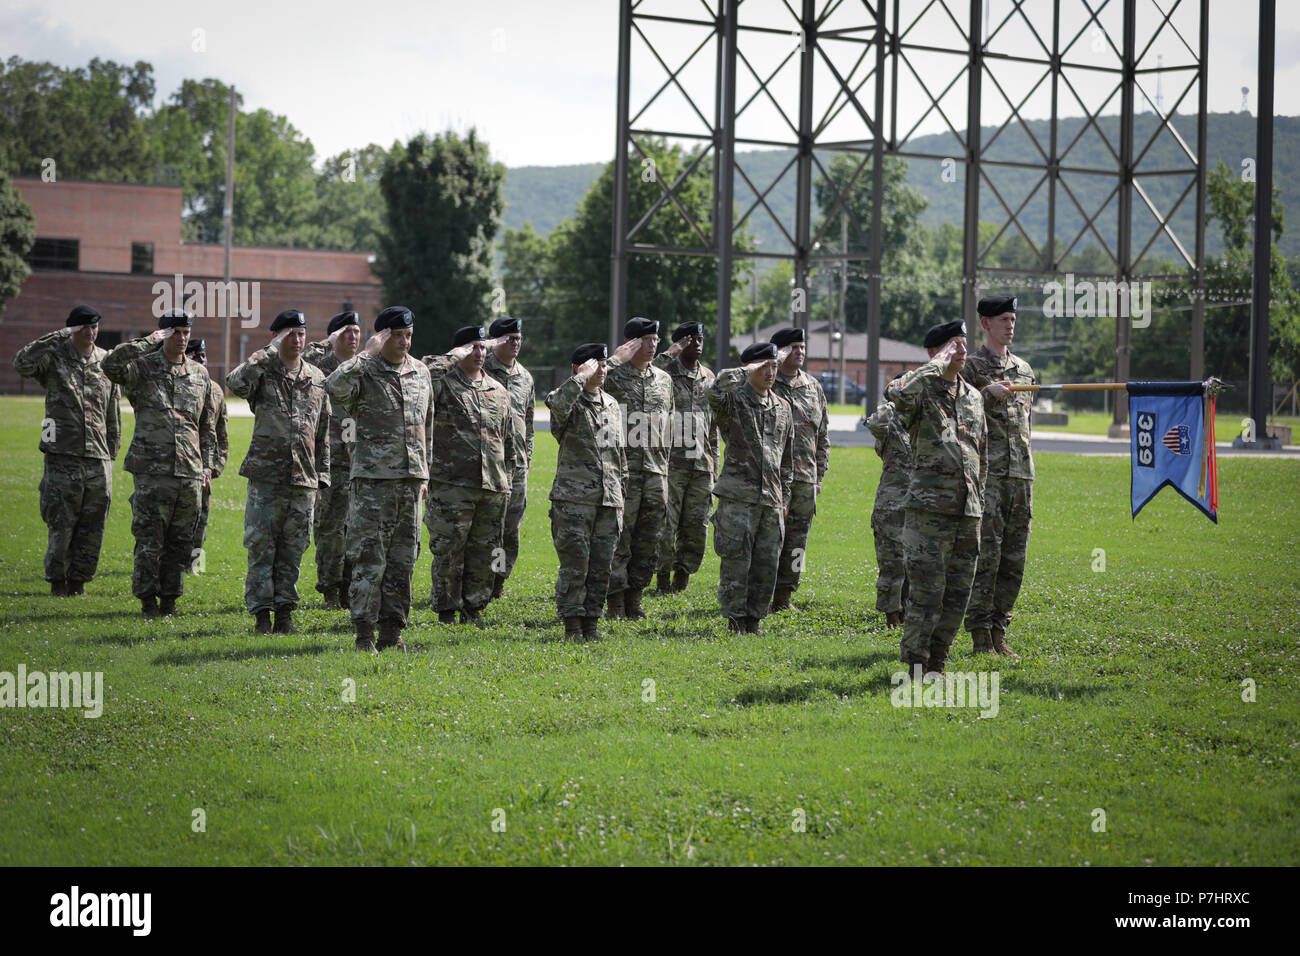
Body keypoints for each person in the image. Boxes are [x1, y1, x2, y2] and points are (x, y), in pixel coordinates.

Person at [325, 306, 433, 652]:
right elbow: (333, 386)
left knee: (404, 560)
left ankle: (392, 633)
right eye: (397, 336)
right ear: (382, 336)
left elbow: (425, 426)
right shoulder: (365, 371)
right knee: (370, 559)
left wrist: (425, 471)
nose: (404, 342)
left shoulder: (421, 372)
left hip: (411, 482)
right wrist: (365, 354)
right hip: (373, 482)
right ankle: (363, 634)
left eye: (408, 335)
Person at [885, 320, 987, 676]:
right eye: (951, 345)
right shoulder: (920, 389)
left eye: (963, 343)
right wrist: (934, 364)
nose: (961, 350)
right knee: (926, 592)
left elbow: (980, 454)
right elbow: (896, 396)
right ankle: (914, 661)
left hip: (968, 511)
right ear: (934, 351)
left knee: (957, 595)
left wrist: (980, 502)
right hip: (928, 511)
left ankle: (938, 659)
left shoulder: (974, 397)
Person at [103, 309, 218, 618]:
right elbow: (110, 364)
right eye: (175, 332)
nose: (181, 338)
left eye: (185, 332)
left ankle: (170, 599)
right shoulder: (142, 368)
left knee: (180, 542)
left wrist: (207, 466)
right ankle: (147, 600)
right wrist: (147, 341)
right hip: (152, 471)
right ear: (163, 334)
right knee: (149, 538)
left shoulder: (200, 374)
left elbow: (206, 426)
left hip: (189, 471)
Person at [226, 309, 331, 634]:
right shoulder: (263, 372)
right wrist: (267, 353)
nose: (297, 340)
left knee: (292, 551)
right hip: (266, 479)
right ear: (276, 337)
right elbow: (235, 383)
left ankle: (285, 614)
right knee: (261, 548)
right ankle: (261, 615)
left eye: (301, 333)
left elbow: (322, 432)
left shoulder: (316, 377)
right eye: (289, 334)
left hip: (303, 480)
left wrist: (322, 478)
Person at [13, 305, 121, 596]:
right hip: (62, 457)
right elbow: (22, 362)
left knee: (93, 525)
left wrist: (112, 451)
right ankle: (57, 582)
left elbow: (113, 411)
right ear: (72, 329)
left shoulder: (106, 362)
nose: (91, 331)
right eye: (83, 327)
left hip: (98, 459)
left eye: (94, 326)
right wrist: (58, 336)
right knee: (61, 523)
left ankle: (79, 582)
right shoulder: (54, 358)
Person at [960, 295, 1036, 659]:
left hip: (1020, 476)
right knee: (985, 556)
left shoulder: (1024, 370)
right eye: (1003, 319)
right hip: (987, 476)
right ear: (985, 324)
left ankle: (999, 631)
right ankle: (978, 635)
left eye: (1013, 319)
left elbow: (1027, 426)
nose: (1010, 325)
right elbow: (954, 413)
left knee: (1014, 558)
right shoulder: (970, 368)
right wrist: (983, 395)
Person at [423, 327, 514, 626]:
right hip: (452, 485)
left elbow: (508, 440)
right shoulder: (441, 384)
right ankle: (447, 610)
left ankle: (474, 608)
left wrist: (507, 480)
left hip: (492, 485)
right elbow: (426, 373)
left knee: (485, 550)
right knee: (449, 550)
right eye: (472, 347)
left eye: (482, 348)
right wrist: (452, 357)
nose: (479, 353)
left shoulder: (499, 390)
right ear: (459, 351)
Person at [707, 341, 794, 634]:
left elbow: (787, 460)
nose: (770, 372)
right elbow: (713, 390)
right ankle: (735, 619)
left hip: (772, 499)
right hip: (738, 496)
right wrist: (744, 371)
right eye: (763, 367)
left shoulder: (783, 407)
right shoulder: (733, 401)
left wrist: (786, 497)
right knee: (737, 561)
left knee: (767, 563)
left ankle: (754, 619)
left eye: (773, 366)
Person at [544, 343, 627, 640]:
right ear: (580, 368)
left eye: (605, 365)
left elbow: (618, 453)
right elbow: (557, 403)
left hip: (609, 499)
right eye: (597, 365)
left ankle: (592, 622)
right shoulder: (566, 400)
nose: (603, 370)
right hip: (573, 500)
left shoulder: (612, 405)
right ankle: (571, 625)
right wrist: (581, 377)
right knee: (575, 566)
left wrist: (621, 493)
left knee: (601, 566)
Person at [602, 317, 674, 619]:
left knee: (649, 538)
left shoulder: (663, 380)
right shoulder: (613, 375)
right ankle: (615, 599)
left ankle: (635, 598)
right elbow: (588, 382)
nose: (653, 344)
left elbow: (669, 424)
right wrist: (615, 359)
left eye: (655, 338)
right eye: (646, 339)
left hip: (656, 471)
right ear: (630, 343)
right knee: (621, 536)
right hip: (623, 471)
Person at [652, 321, 718, 594]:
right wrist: (670, 352)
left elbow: (712, 424)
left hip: (701, 463)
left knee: (697, 525)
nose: (698, 344)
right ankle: (663, 578)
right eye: (691, 339)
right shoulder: (665, 373)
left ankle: (683, 577)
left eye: (701, 339)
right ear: (679, 344)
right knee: (667, 523)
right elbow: (648, 371)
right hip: (671, 462)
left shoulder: (709, 377)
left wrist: (715, 462)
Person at [304, 310, 362, 609]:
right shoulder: (319, 366)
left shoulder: (364, 367)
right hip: (329, 460)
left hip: (361, 463)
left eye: (356, 331)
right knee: (330, 529)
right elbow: (302, 356)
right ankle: (329, 589)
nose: (353, 337)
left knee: (357, 529)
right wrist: (325, 342)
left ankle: (350, 588)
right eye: (346, 332)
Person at [769, 327, 829, 611]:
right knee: (769, 538)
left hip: (805, 478)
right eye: (793, 347)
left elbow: (823, 436)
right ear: (780, 351)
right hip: (773, 477)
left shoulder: (813, 387)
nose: (800, 352)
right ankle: (761, 592)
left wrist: (819, 475)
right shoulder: (767, 383)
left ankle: (785, 595)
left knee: (797, 542)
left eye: (802, 347)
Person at [483, 316, 535, 600]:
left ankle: (498, 580)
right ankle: (477, 577)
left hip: (516, 467)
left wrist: (526, 456)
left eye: (518, 338)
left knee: (509, 528)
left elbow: (527, 421)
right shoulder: (482, 370)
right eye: (509, 338)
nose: (516, 343)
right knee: (484, 525)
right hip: (488, 463)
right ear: (495, 341)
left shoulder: (525, 377)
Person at [864, 371, 912, 628]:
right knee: (892, 564)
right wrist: (895, 401)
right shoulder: (890, 420)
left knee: (917, 565)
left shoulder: (926, 420)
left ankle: (911, 612)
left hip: (923, 505)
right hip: (892, 505)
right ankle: (892, 615)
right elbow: (875, 423)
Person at [183, 338, 229, 572]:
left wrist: (215, 467)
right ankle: (172, 562)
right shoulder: (183, 385)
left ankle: (193, 565)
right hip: (183, 464)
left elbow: (222, 432)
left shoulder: (217, 390)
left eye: (203, 356)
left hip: (205, 468)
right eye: (194, 355)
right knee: (180, 519)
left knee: (202, 519)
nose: (201, 360)